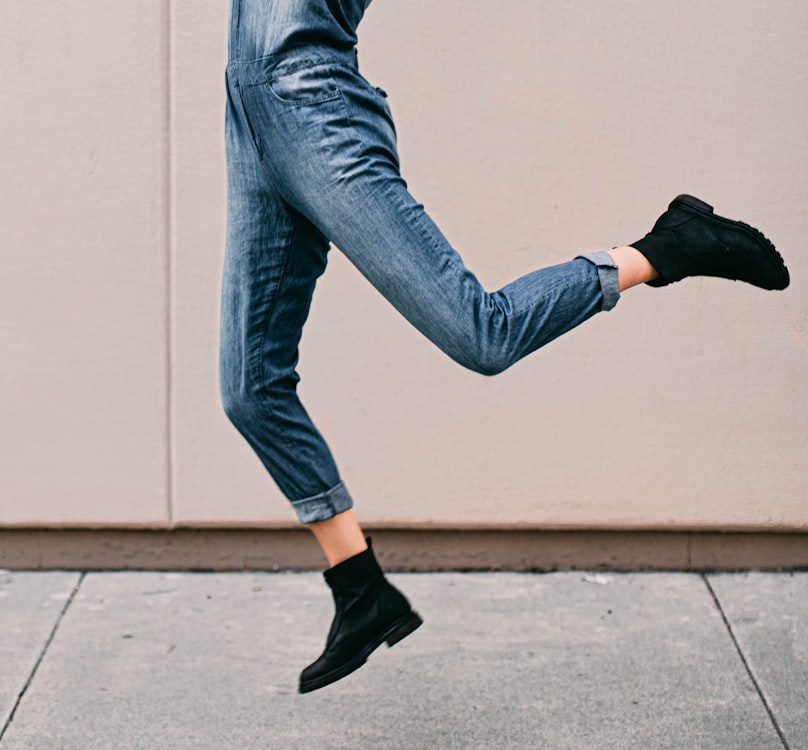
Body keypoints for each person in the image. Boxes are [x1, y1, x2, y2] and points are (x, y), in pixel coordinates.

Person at [219, 0, 790, 695]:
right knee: (250, 388)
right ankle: (361, 590)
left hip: (312, 106)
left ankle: (668, 247)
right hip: (253, 116)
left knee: (479, 333)